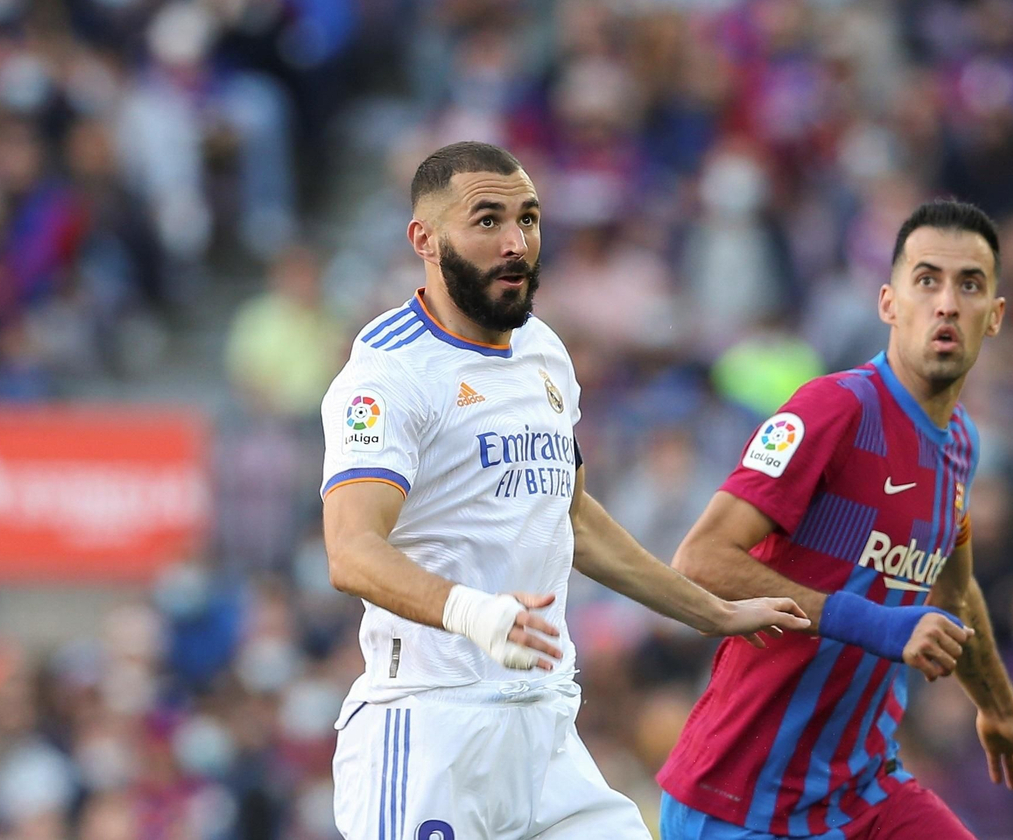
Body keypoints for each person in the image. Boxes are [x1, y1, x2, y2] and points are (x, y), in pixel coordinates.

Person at [319, 141, 808, 840]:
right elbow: (351, 550)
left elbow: (570, 515)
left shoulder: (544, 351)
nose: (516, 242)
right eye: (487, 221)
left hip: (544, 725)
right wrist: (478, 615)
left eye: (529, 218)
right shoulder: (388, 373)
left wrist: (706, 610)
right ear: (423, 240)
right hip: (430, 725)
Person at [659, 200, 1013, 839]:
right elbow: (701, 559)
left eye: (969, 285)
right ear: (889, 303)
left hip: (863, 792)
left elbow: (954, 591)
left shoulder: (961, 446)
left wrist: (999, 710)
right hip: (740, 798)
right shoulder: (834, 410)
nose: (946, 303)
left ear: (994, 317)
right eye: (927, 280)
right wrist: (872, 623)